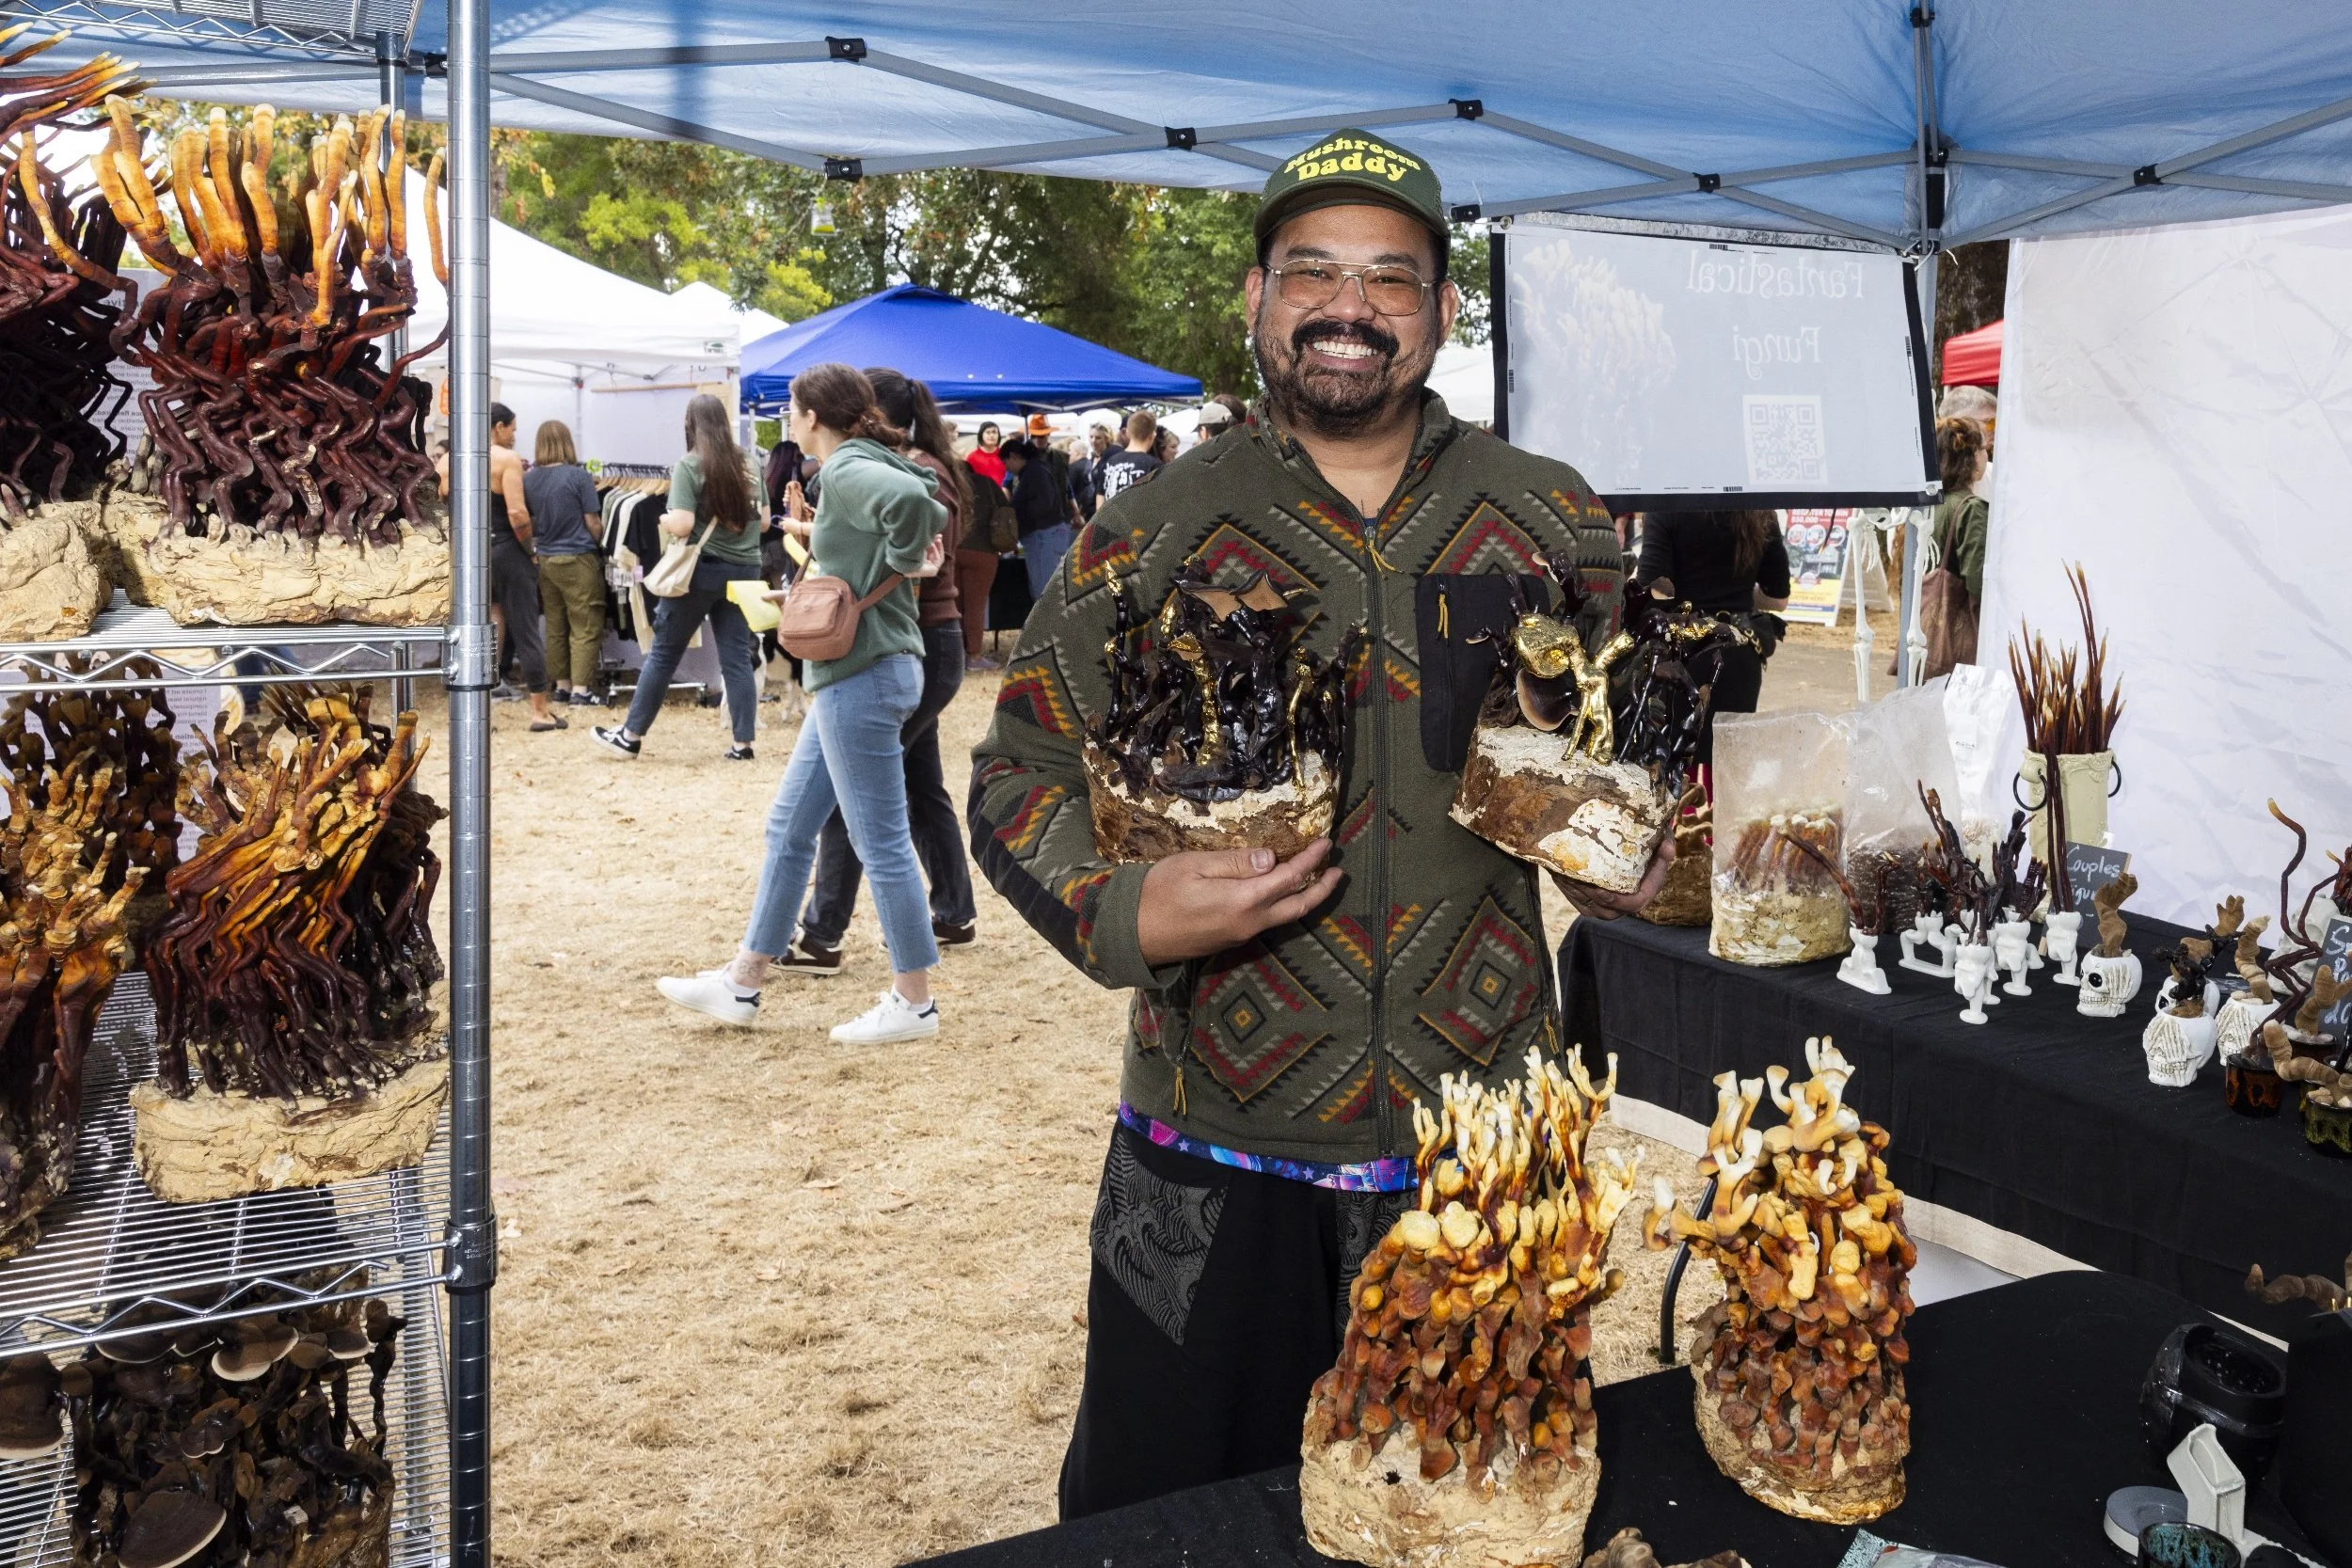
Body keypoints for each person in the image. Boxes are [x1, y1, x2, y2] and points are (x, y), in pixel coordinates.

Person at [966, 127, 1665, 1520]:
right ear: (1256, 298)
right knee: (1176, 1512)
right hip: (1214, 1143)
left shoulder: (1551, 520)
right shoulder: (1149, 533)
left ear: (1443, 312)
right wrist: (1126, 911)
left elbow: (1614, 760)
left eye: (1392, 279)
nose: (1349, 309)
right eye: (1313, 272)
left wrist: (1640, 854)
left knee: (1475, 1504)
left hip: (1483, 1142)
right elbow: (1015, 773)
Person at [656, 363, 946, 1044]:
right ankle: (744, 980)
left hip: (861, 674)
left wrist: (903, 555)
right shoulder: (864, 459)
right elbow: (921, 493)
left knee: (881, 842)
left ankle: (915, 1001)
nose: (787, 419)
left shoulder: (847, 467)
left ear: (814, 415)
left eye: (791, 408)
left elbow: (919, 509)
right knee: (790, 826)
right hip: (864, 671)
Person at [788, 368, 980, 970]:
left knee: (860, 800)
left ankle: (823, 933)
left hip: (909, 640)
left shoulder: (896, 470)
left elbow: (912, 533)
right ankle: (952, 911)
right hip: (920, 639)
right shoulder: (912, 464)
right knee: (918, 786)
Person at [592, 393, 766, 761]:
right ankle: (743, 744)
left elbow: (684, 524)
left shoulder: (690, 465)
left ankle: (631, 736)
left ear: (690, 425)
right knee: (736, 655)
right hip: (746, 571)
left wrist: (665, 520)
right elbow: (763, 521)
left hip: (700, 571)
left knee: (664, 652)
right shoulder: (750, 464)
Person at [437, 404, 561, 731]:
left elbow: (439, 509)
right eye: (512, 429)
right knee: (526, 627)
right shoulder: (506, 460)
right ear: (498, 427)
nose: (514, 435)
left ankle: (477, 712)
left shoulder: (447, 460)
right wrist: (530, 550)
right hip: (506, 548)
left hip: (467, 555)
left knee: (480, 630)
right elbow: (518, 513)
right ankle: (539, 711)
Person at [1633, 509, 1791, 765]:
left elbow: (1652, 592)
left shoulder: (1667, 506)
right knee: (1728, 769)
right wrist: (1733, 599)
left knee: (1672, 770)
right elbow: (1778, 599)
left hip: (1681, 658)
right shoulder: (1760, 510)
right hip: (1739, 656)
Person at [521, 420, 605, 708]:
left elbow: (528, 520)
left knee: (555, 625)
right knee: (585, 624)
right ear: (568, 442)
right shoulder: (579, 477)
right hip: (578, 558)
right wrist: (598, 541)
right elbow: (592, 521)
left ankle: (562, 687)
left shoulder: (529, 479)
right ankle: (581, 690)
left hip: (546, 559)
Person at [1921, 417, 1991, 679]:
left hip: (1926, 629)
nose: (1986, 454)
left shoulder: (1928, 504)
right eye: (1984, 449)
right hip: (1957, 643)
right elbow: (1978, 583)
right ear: (1971, 457)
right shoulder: (1971, 509)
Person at [1004, 436, 1074, 597]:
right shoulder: (1035, 470)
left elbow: (1044, 504)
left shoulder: (1035, 472)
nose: (1007, 469)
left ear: (1013, 457)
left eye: (1006, 463)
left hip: (1043, 537)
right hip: (1044, 536)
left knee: (1045, 592)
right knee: (1045, 590)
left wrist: (1021, 517)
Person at [958, 446, 1009, 670]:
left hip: (953, 551)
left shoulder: (948, 486)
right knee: (975, 606)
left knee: (955, 605)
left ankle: (957, 653)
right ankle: (975, 656)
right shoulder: (988, 485)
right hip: (984, 552)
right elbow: (1006, 509)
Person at [1096, 409, 1161, 504]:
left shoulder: (1110, 462)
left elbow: (1100, 502)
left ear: (1127, 433)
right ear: (1152, 435)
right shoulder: (1154, 465)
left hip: (1110, 518)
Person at [968, 420, 1008, 487]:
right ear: (981, 435)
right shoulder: (972, 457)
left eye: (994, 432)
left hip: (1003, 494)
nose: (991, 435)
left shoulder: (1005, 455)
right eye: (988, 432)